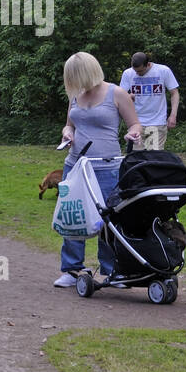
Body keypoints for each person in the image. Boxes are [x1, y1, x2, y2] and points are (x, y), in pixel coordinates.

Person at [54, 52, 142, 288]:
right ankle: (72, 269)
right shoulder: (75, 95)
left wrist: (134, 132)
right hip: (76, 165)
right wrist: (67, 133)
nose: (75, 84)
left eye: (77, 77)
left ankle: (110, 270)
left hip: (107, 167)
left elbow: (135, 123)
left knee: (109, 220)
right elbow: (69, 123)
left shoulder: (116, 93)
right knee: (73, 216)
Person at [119, 52, 179, 151]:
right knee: (136, 158)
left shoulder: (163, 70)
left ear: (148, 64)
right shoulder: (128, 73)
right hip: (135, 123)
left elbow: (174, 93)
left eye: (140, 71)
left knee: (153, 158)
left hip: (157, 122)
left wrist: (173, 115)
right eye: (135, 71)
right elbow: (121, 96)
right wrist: (128, 97)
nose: (137, 73)